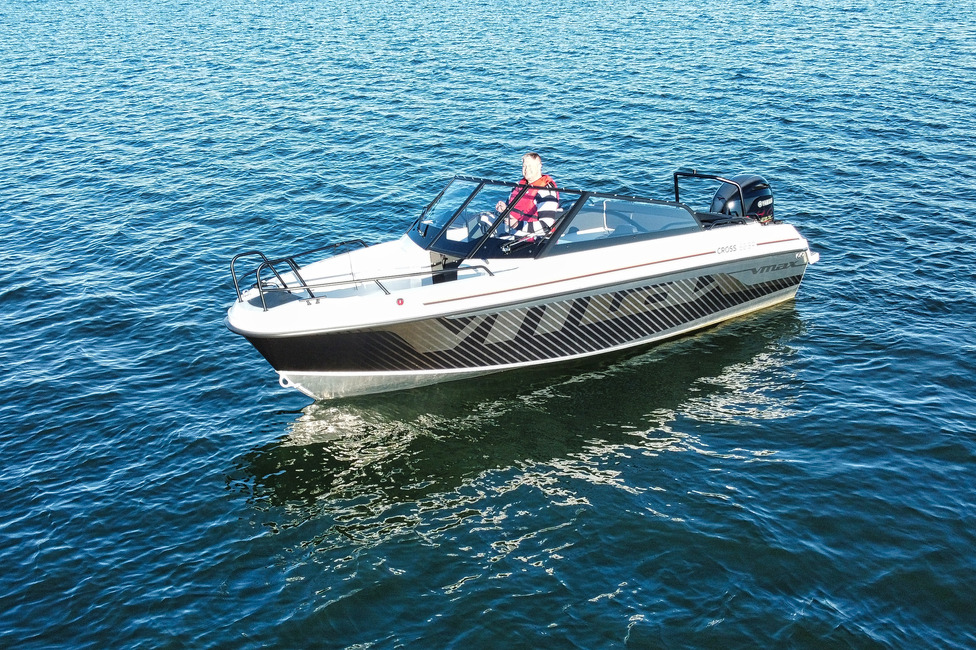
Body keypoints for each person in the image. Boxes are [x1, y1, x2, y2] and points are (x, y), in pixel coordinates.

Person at [495, 152, 560, 237]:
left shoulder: (545, 192)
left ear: (539, 166)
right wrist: (504, 210)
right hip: (512, 235)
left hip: (534, 239)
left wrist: (517, 224)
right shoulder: (519, 187)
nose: (526, 169)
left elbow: (546, 226)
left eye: (530, 166)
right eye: (524, 166)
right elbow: (512, 213)